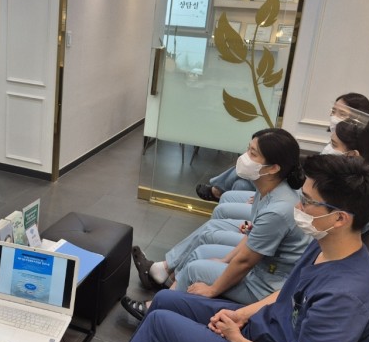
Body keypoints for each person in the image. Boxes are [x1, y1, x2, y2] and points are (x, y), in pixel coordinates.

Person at [62, 155, 369, 342]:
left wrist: (237, 339)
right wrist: (242, 314)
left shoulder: (347, 296)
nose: (298, 208)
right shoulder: (325, 246)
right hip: (261, 334)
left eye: (307, 201)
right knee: (164, 301)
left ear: (340, 218)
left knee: (160, 323)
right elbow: (285, 293)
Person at [124, 128, 307, 314]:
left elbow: (245, 261)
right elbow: (252, 236)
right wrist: (225, 260)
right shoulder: (267, 189)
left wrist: (213, 289)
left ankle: (155, 309)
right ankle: (169, 292)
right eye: (248, 149)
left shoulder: (277, 211)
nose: (245, 157)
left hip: (266, 285)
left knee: (195, 270)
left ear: (273, 168)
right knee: (201, 252)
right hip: (260, 267)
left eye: (253, 154)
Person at [195, 92, 369, 202]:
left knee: (250, 167)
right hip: (296, 183)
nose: (333, 117)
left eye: (341, 114)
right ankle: (219, 193)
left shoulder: (350, 159)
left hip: (295, 190)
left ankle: (217, 190)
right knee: (242, 180)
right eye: (333, 111)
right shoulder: (336, 140)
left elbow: (313, 191)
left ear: (358, 121)